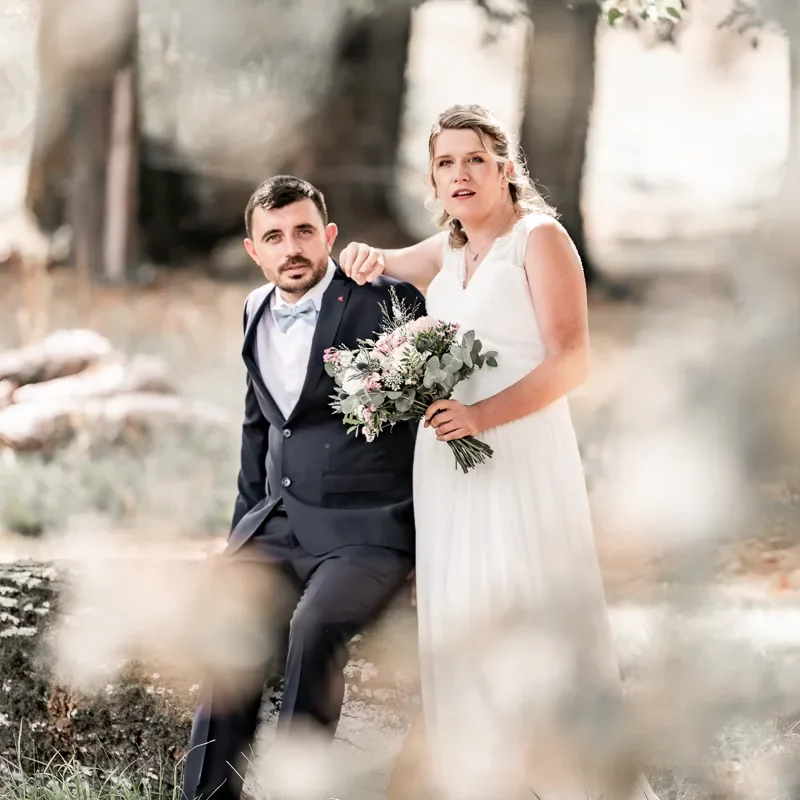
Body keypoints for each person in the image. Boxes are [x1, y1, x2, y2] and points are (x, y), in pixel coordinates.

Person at [339, 105, 659, 799]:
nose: (460, 174)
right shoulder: (449, 250)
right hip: (450, 469)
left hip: (516, 455)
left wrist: (482, 415)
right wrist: (360, 256)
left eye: (474, 159)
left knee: (526, 615)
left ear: (505, 169)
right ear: (432, 178)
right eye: (445, 163)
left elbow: (572, 362)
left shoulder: (537, 239)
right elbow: (388, 263)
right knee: (462, 617)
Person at [181, 175, 424, 800]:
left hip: (369, 531)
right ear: (252, 250)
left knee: (314, 628)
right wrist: (241, 533)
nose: (291, 248)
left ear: (329, 235)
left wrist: (432, 546)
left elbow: (429, 427)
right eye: (274, 237)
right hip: (281, 522)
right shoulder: (253, 309)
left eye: (304, 232)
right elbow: (256, 428)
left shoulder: (386, 301)